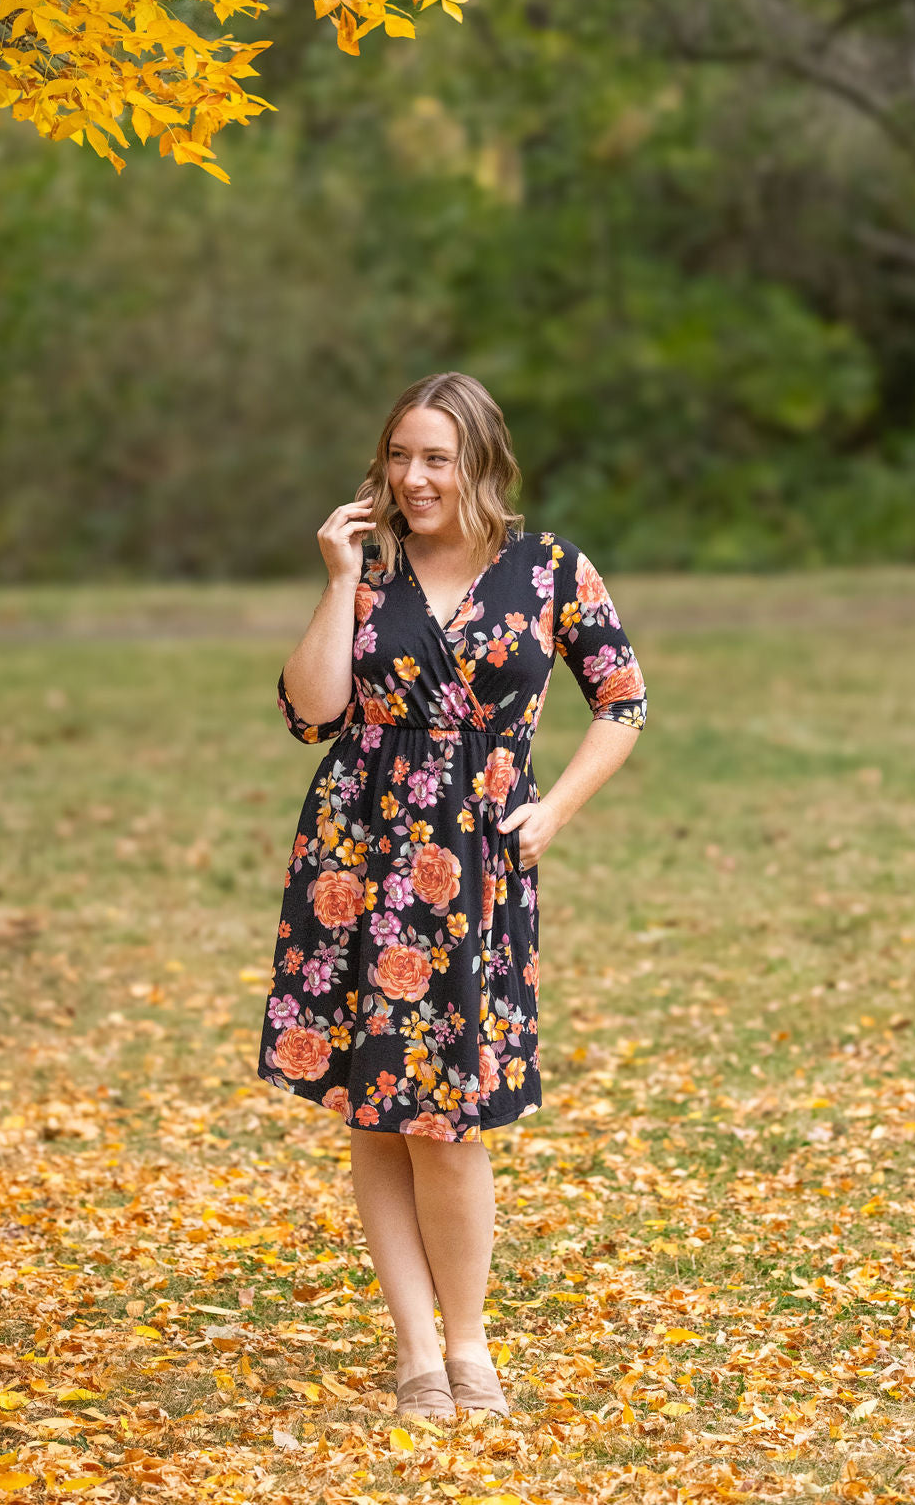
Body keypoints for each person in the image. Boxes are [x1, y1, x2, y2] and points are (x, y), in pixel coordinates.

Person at [256, 371, 646, 1422]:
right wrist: (337, 582)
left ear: (481, 461)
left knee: (449, 1113)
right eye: (399, 455)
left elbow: (622, 699)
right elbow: (310, 711)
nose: (414, 477)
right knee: (377, 1108)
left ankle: (469, 1345)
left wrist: (554, 807)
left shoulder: (550, 569)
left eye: (436, 457)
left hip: (474, 866)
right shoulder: (369, 570)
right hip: (356, 855)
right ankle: (417, 1350)